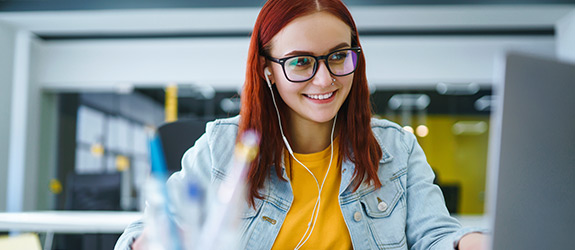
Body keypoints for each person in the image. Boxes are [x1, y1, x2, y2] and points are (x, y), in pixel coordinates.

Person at [116, 0, 487, 249]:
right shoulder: (222, 148)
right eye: (300, 62)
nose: (324, 80)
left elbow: (436, 236)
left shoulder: (396, 149)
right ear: (268, 71)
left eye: (338, 57)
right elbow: (140, 234)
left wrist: (474, 242)